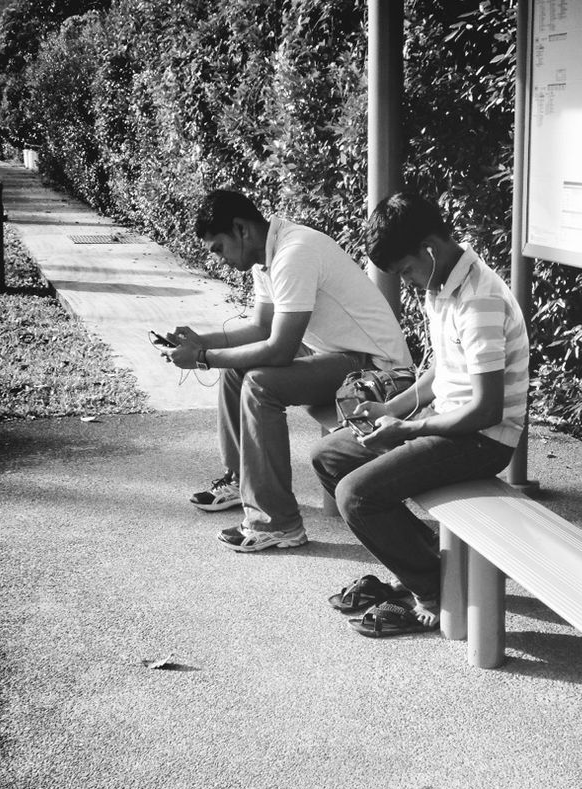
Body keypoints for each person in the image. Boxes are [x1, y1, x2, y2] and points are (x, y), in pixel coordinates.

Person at [311, 192, 530, 636]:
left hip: (483, 440)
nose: (408, 281)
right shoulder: (444, 283)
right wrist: (390, 409)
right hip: (451, 426)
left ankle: (433, 589)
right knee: (328, 457)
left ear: (428, 249)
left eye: (407, 269)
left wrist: (407, 429)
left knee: (356, 495)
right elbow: (444, 368)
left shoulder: (478, 300)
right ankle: (423, 557)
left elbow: (486, 409)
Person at [167, 189, 411, 552]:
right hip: (338, 358)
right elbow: (261, 329)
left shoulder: (294, 254)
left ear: (241, 229)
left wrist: (202, 356)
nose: (219, 259)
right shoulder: (268, 256)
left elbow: (279, 350)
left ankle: (278, 524)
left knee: (260, 385)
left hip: (375, 370)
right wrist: (200, 340)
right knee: (237, 370)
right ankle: (242, 479)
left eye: (219, 248)